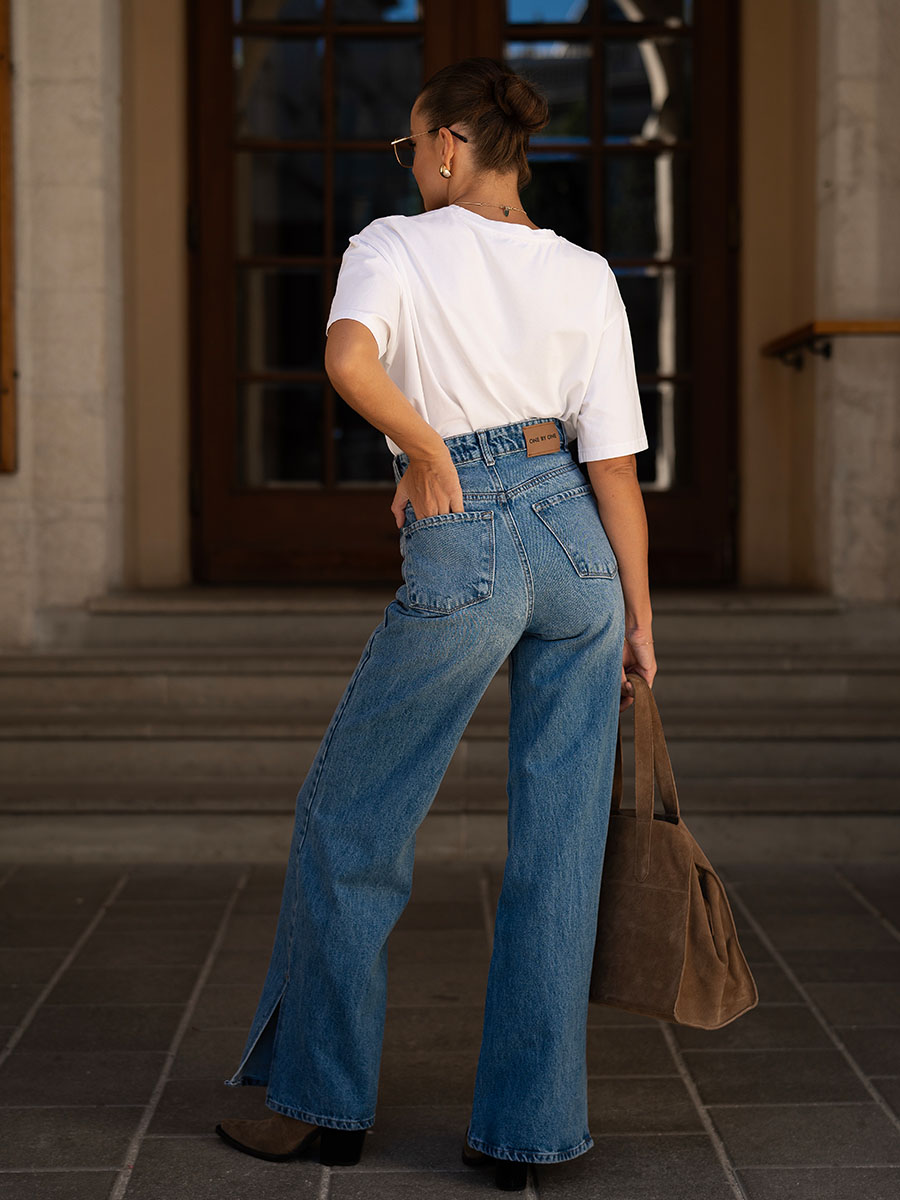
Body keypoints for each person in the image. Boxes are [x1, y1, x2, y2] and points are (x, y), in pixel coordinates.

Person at [215, 55, 657, 1193]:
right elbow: (613, 465)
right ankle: (528, 1138)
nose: (408, 166)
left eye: (412, 147)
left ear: (453, 146)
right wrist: (641, 619)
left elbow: (346, 359)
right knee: (558, 855)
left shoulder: (395, 245)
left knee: (352, 819)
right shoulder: (584, 271)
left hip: (467, 534)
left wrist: (423, 448)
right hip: (578, 552)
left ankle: (318, 1104)